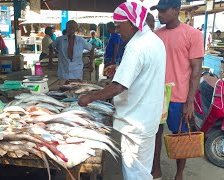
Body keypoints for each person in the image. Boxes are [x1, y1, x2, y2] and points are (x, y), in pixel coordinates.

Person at [78, 2, 166, 179]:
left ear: (133, 23)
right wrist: (120, 69)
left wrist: (89, 98)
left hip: (136, 122)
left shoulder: (137, 46)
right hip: (148, 119)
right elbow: (144, 72)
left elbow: (118, 86)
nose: (117, 30)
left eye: (119, 26)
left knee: (135, 173)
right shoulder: (154, 40)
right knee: (142, 169)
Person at [150, 0, 204, 180]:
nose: (159, 14)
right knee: (155, 133)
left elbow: (196, 71)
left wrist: (190, 101)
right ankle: (155, 169)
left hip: (179, 96)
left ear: (176, 10)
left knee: (180, 136)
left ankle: (179, 174)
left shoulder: (193, 34)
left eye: (163, 11)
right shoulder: (156, 35)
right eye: (158, 11)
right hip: (157, 94)